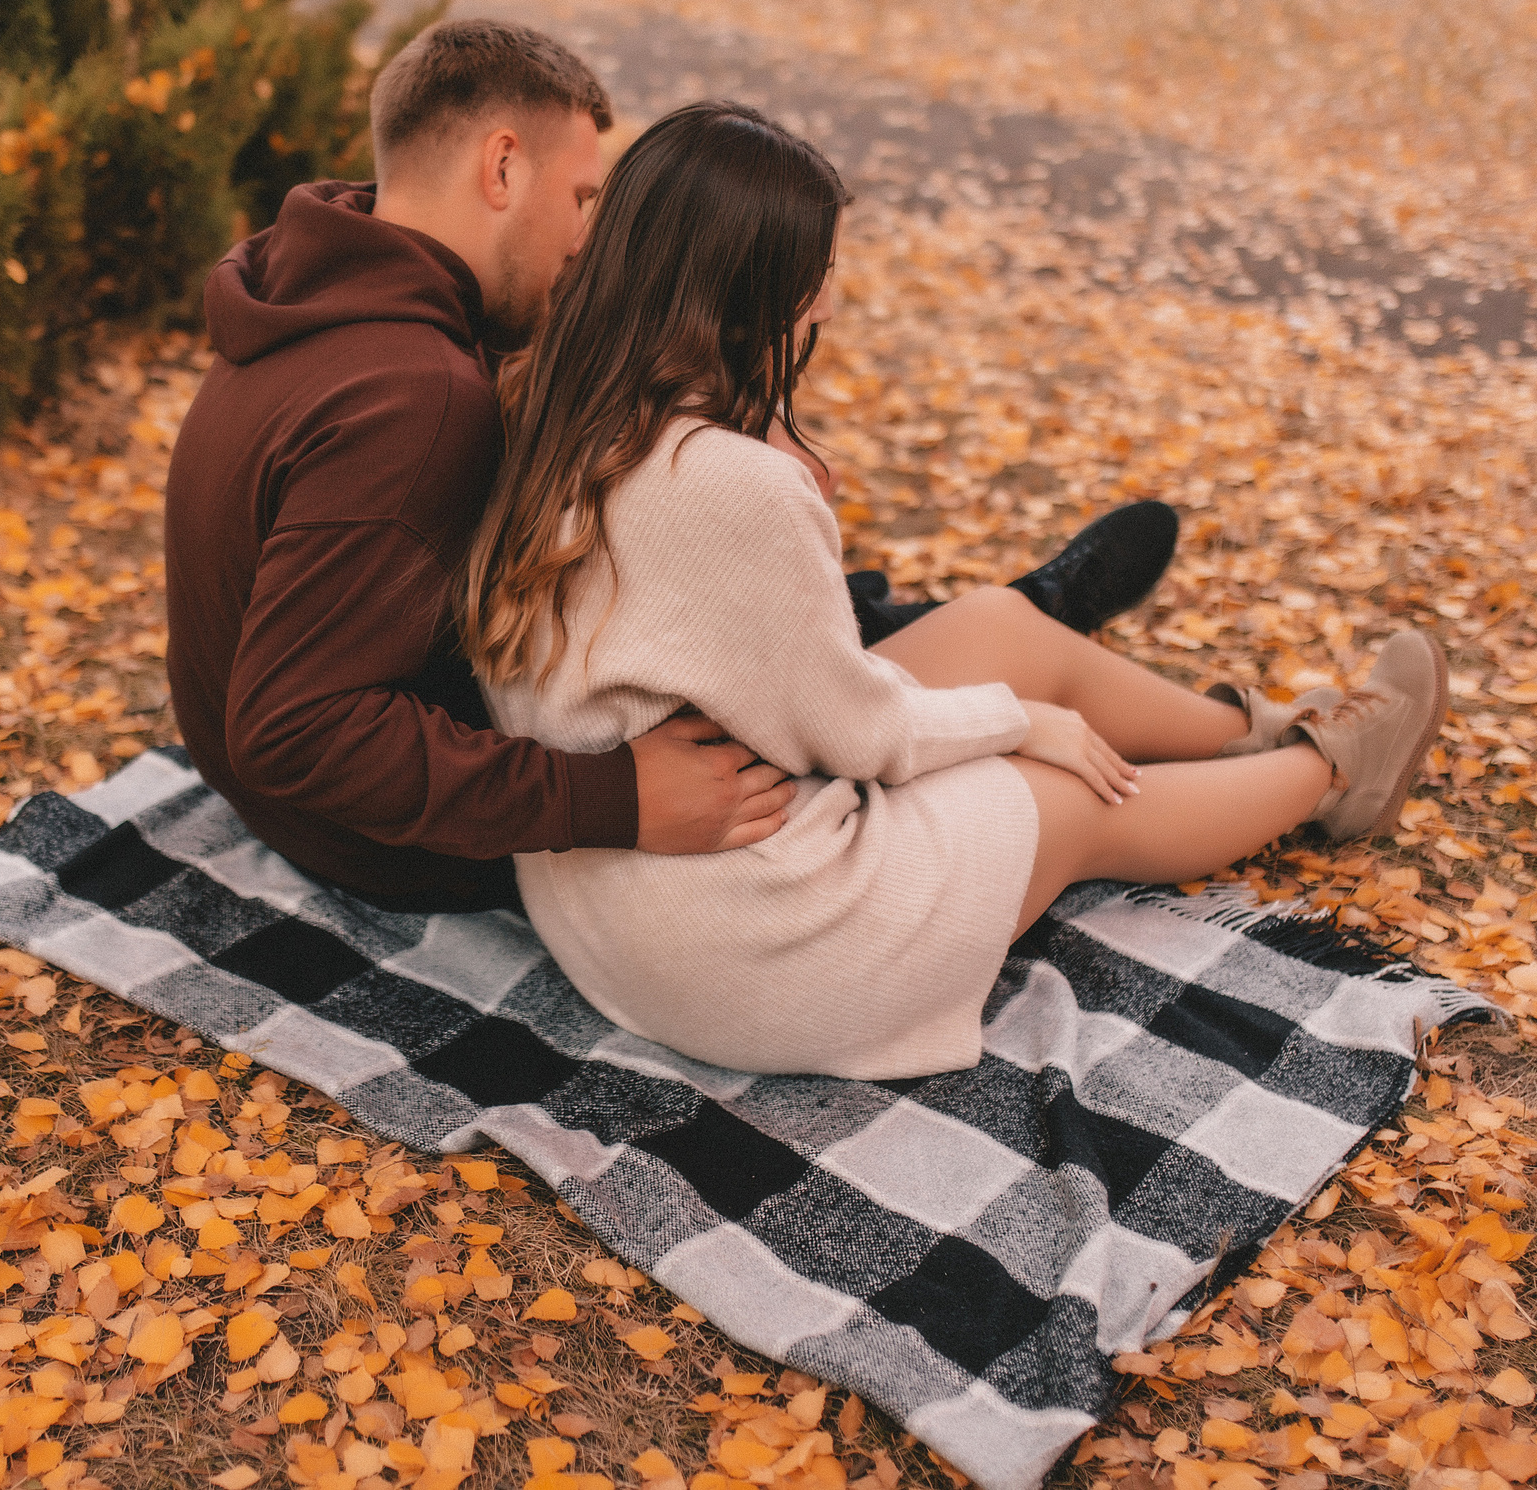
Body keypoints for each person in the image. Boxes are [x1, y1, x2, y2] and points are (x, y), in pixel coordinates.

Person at [463, 101, 1450, 1080]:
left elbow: (771, 669)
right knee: (1070, 794)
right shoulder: (728, 483)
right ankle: (1331, 765)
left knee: (993, 622)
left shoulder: (546, 398)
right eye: (821, 276)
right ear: (756, 293)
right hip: (753, 947)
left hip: (612, 905)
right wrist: (1017, 723)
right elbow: (853, 734)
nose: (830, 306)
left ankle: (1255, 728)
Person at [164, 19, 1179, 916]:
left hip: (306, 775)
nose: (586, 238)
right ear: (502, 169)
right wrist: (617, 799)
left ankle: (930, 613)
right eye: (579, 197)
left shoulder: (325, 294)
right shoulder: (414, 397)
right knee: (725, 616)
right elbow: (297, 734)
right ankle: (1011, 616)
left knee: (689, 541)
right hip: (399, 842)